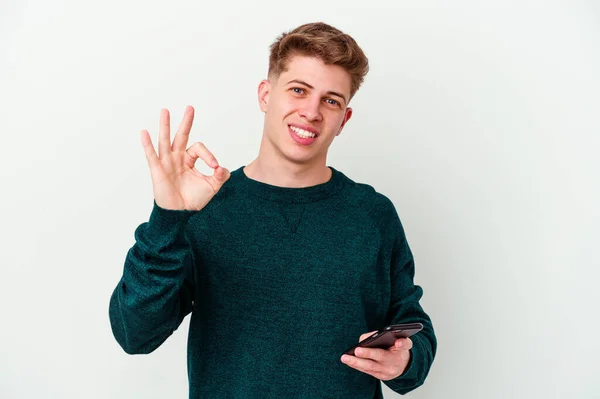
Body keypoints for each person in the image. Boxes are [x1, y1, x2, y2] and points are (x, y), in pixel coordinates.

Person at [108, 21, 437, 398]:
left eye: (331, 100)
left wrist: (405, 362)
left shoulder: (373, 215)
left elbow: (414, 329)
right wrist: (168, 217)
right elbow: (134, 333)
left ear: (343, 119)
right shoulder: (205, 209)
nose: (311, 112)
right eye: (298, 90)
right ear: (266, 95)